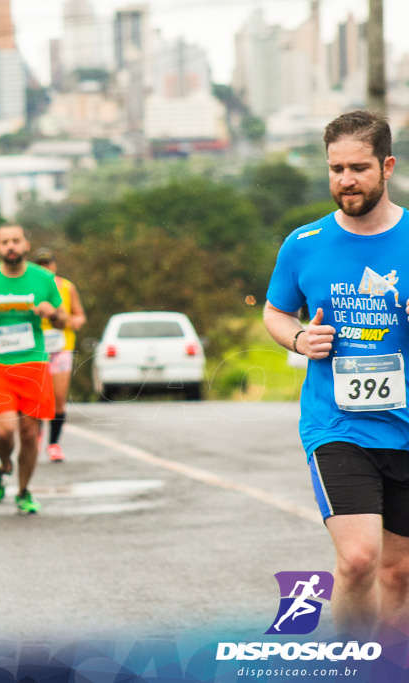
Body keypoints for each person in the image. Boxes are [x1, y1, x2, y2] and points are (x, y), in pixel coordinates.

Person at [263, 110, 409, 638]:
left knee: (400, 572)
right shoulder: (304, 243)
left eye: (359, 167)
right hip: (338, 427)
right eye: (336, 168)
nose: (345, 180)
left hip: (407, 426)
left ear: (387, 166)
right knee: (358, 561)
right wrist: (300, 338)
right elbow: (276, 311)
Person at [0, 226, 67, 514]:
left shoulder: (44, 279)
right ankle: (4, 465)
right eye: (5, 241)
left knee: (30, 432)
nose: (11, 246)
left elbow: (63, 320)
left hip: (34, 364)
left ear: (25, 245)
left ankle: (23, 491)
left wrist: (53, 313)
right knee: (6, 431)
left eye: (16, 241)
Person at [33, 248, 86, 462]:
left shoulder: (67, 287)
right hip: (36, 348)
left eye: (48, 264)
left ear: (54, 265)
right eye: (40, 265)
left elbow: (79, 315)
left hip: (61, 348)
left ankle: (54, 444)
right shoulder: (30, 288)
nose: (45, 268)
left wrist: (75, 321)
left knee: (59, 397)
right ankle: (35, 437)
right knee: (36, 398)